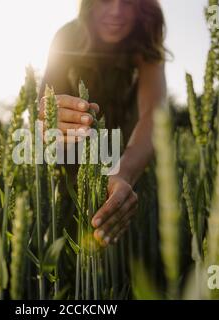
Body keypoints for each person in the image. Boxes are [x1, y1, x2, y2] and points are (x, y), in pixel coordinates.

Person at [38, 0, 167, 247]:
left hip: (130, 156)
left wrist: (123, 174)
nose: (116, 11)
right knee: (69, 236)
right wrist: (50, 117)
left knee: (126, 243)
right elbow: (43, 105)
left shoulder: (145, 36)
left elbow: (155, 115)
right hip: (70, 162)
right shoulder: (66, 36)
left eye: (128, 2)